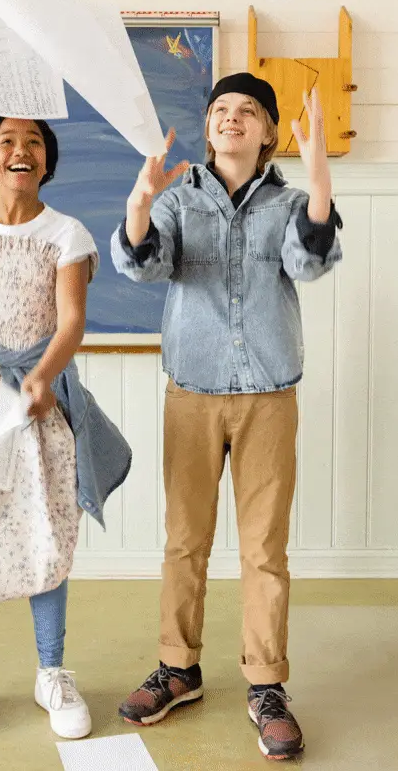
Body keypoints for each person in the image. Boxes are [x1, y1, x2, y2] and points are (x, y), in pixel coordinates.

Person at [110, 73, 342, 761]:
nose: (232, 119)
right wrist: (138, 207)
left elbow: (309, 263)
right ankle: (178, 668)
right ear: (208, 129)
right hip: (193, 394)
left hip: (270, 394)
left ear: (270, 131)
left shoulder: (293, 201)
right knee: (185, 541)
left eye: (247, 111)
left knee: (265, 550)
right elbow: (145, 269)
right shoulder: (177, 200)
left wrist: (323, 184)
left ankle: (266, 684)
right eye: (220, 111)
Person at [0, 115, 131, 750]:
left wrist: (41, 377)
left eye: (34, 142)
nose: (21, 150)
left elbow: (70, 321)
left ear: (46, 161)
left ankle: (52, 673)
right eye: (7, 142)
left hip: (41, 403)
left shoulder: (65, 234)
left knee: (47, 530)